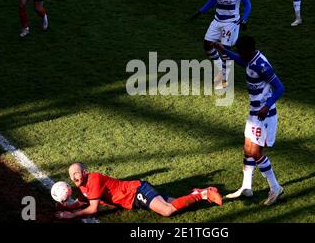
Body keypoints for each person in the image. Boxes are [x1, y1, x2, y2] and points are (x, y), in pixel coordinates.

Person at [212, 36, 285, 205]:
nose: (240, 54)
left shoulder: (261, 65)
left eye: (241, 51)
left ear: (249, 50)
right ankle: (246, 187)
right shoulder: (250, 59)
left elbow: (280, 87)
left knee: (255, 152)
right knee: (247, 149)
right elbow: (242, 61)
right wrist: (224, 51)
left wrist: (267, 106)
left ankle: (275, 187)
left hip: (263, 115)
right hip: (254, 112)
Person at [55, 163, 222, 219]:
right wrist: (69, 206)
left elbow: (93, 209)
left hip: (136, 191)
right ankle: (196, 193)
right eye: (71, 175)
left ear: (84, 172)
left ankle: (204, 194)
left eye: (76, 173)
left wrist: (72, 215)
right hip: (134, 198)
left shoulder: (94, 179)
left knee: (167, 211)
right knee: (176, 204)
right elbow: (86, 201)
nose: (74, 177)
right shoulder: (81, 185)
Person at [191, 0, 252, 90]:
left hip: (230, 22)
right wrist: (201, 11)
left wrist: (245, 19)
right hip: (217, 19)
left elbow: (248, 4)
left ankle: (225, 80)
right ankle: (220, 68)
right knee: (207, 45)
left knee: (224, 50)